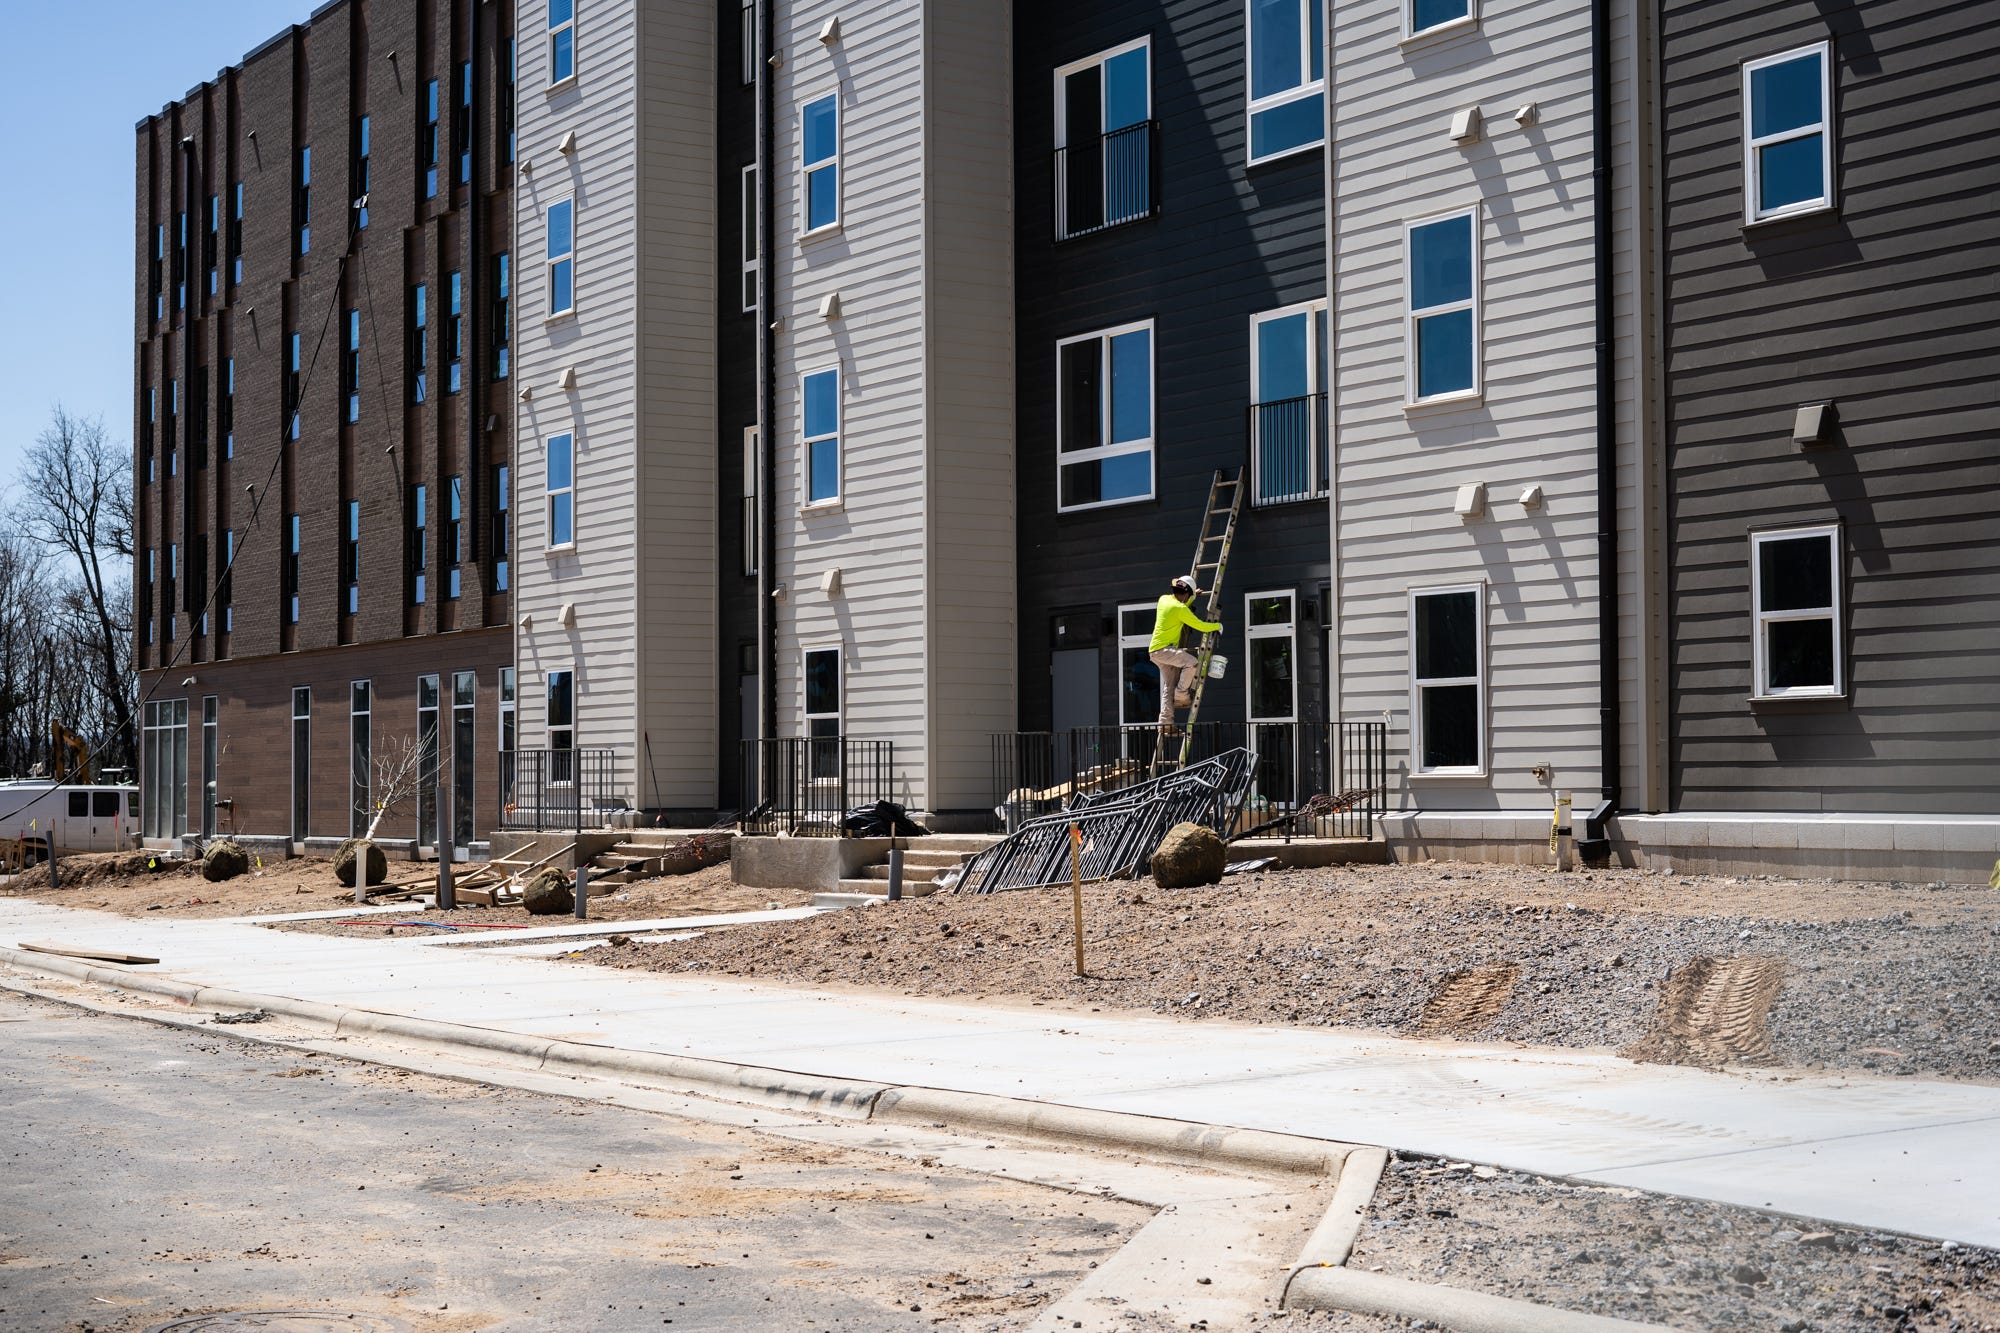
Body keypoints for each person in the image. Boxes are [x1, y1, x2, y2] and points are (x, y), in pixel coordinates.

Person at [1149, 576, 1221, 731]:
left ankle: (1165, 724)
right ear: (1186, 594)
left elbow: (1179, 606)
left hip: (1155, 651)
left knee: (1169, 687)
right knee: (1192, 663)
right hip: (1165, 650)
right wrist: (1217, 626)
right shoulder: (1180, 609)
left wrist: (1193, 596)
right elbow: (1200, 625)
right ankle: (1181, 694)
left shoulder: (1163, 599)